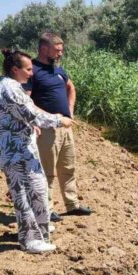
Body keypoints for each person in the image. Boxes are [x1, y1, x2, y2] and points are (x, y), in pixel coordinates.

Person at [0, 49, 73, 254]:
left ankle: (40, 228)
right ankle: (30, 240)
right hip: (15, 153)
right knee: (24, 195)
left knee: (38, 189)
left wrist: (30, 126)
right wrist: (57, 119)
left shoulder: (13, 86)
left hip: (22, 150)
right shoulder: (8, 88)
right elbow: (29, 113)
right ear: (14, 69)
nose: (31, 73)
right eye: (28, 69)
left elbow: (22, 115)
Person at [26, 31, 92, 222]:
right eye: (57, 50)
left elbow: (71, 87)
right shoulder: (32, 70)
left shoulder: (58, 70)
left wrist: (69, 111)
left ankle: (72, 205)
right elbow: (26, 102)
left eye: (61, 50)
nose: (60, 53)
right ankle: (47, 208)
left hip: (65, 127)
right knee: (46, 171)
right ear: (44, 48)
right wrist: (48, 118)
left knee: (68, 167)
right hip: (46, 130)